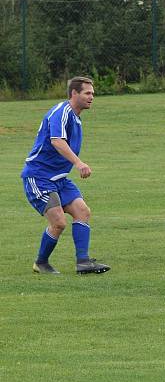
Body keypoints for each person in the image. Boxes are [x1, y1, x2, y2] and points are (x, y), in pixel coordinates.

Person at [21, 76, 110, 275]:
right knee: (59, 222)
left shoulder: (76, 117)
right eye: (87, 93)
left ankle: (83, 262)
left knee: (82, 211)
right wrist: (78, 163)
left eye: (93, 93)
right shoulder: (62, 112)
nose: (91, 97)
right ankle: (41, 263)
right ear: (74, 93)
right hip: (39, 177)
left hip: (59, 179)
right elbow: (57, 141)